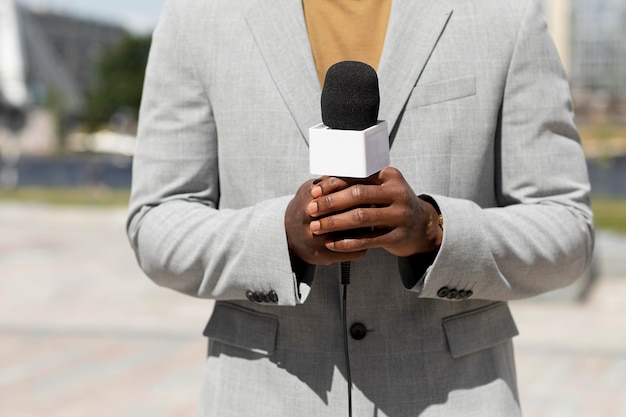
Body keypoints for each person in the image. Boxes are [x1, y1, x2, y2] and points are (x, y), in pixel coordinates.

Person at [127, 0, 595, 415]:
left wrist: (435, 231)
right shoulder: (197, 15)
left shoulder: (504, 12)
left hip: (456, 397)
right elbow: (157, 222)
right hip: (261, 397)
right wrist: (280, 239)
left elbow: (567, 228)